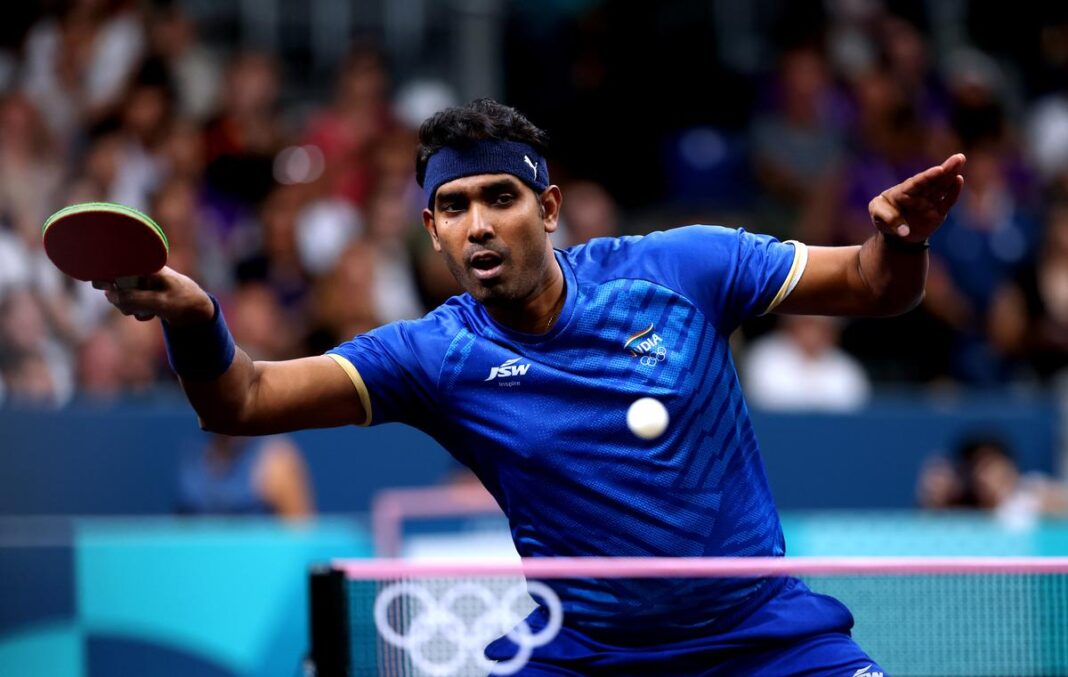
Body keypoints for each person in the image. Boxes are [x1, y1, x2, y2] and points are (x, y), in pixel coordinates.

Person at [95, 99, 965, 675]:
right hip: (587, 655)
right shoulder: (436, 356)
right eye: (454, 205)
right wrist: (195, 314)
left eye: (500, 196)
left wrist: (901, 239)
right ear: (433, 230)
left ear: (546, 209)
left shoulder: (681, 268)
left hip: (764, 638)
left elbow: (872, 284)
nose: (479, 223)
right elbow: (239, 401)